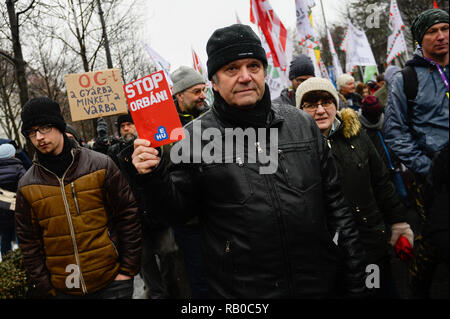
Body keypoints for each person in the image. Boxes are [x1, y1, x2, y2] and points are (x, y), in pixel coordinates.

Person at [130, 24, 367, 298]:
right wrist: (152, 176)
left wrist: (355, 282)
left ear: (264, 72)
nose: (245, 77)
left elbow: (337, 208)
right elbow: (177, 213)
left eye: (253, 66)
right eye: (232, 69)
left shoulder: (301, 124)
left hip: (320, 286)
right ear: (214, 83)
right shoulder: (194, 138)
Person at [296, 77, 414, 298]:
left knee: (379, 290)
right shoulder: (296, 150)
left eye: (326, 102)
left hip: (370, 245)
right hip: (331, 255)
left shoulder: (357, 135)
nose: (320, 110)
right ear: (300, 109)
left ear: (336, 104)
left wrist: (398, 222)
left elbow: (380, 182)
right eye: (311, 104)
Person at [14, 97, 141, 299]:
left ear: (58, 126)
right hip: (64, 289)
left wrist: (127, 270)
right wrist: (46, 287)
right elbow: (29, 242)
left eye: (44, 128)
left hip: (112, 282)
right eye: (31, 132)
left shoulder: (101, 165)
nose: (38, 137)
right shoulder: (27, 185)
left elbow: (128, 216)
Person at [383, 9, 448, 298]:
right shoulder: (405, 79)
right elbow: (395, 132)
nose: (442, 36)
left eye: (446, 28)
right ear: (420, 39)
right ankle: (418, 288)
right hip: (432, 179)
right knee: (436, 240)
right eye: (433, 31)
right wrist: (428, 168)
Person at [112, 112, 191, 299]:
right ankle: (157, 294)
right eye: (122, 126)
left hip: (157, 216)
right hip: (133, 220)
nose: (126, 129)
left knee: (169, 252)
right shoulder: (114, 152)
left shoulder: (152, 146)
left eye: (129, 124)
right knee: (145, 262)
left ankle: (170, 288)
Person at [170, 65, 210, 298]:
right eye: (196, 91)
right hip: (189, 221)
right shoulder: (163, 127)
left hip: (218, 213)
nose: (203, 96)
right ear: (180, 95)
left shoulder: (212, 117)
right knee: (199, 279)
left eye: (203, 90)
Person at [0, 143, 26, 259]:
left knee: (5, 235)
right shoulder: (18, 168)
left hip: (1, 209)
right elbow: (24, 187)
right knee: (19, 234)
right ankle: (21, 259)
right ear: (12, 154)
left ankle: (6, 260)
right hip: (16, 208)